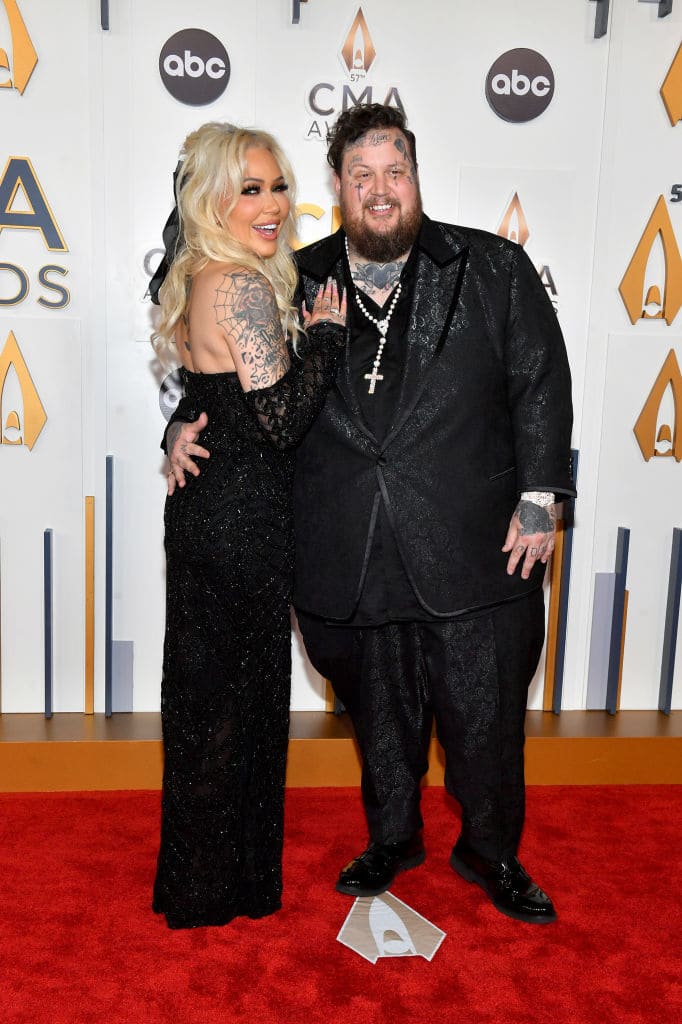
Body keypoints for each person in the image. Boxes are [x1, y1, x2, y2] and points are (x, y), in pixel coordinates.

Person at [166, 105, 575, 925]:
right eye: (362, 176)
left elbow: (540, 380)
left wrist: (540, 498)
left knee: (485, 715)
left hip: (471, 544)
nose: (380, 190)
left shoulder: (492, 267)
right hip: (347, 544)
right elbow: (233, 379)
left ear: (416, 177)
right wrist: (177, 425)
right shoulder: (292, 275)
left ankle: (492, 851)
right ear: (338, 186)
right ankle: (393, 837)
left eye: (395, 173)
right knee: (379, 716)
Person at [150, 121, 346, 930]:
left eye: (279, 186)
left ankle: (201, 881)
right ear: (211, 201)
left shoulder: (201, 273)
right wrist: (327, 340)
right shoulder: (239, 284)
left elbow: (212, 402)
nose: (273, 205)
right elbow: (280, 417)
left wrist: (176, 429)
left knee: (208, 700)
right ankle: (225, 885)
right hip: (244, 522)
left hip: (209, 514)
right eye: (250, 189)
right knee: (242, 701)